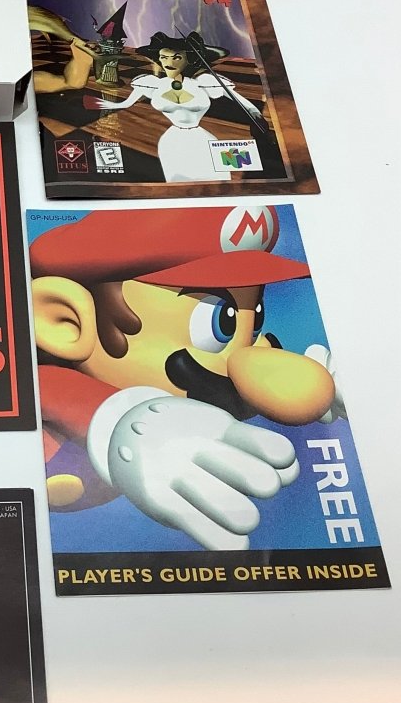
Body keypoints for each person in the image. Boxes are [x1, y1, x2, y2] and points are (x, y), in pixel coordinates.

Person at [30, 205, 344, 549]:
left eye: (255, 319)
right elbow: (48, 389)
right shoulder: (39, 387)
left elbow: (239, 379)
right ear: (65, 323)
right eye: (221, 323)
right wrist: (127, 422)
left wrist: (319, 382)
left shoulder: (215, 391)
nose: (246, 359)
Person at [83, 30, 264, 182]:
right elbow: (125, 103)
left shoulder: (204, 82)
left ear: (189, 59)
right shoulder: (153, 84)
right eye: (164, 57)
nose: (169, 63)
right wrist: (98, 104)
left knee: (217, 182)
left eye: (177, 57)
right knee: (177, 182)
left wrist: (256, 115)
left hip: (203, 142)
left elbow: (242, 102)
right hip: (171, 143)